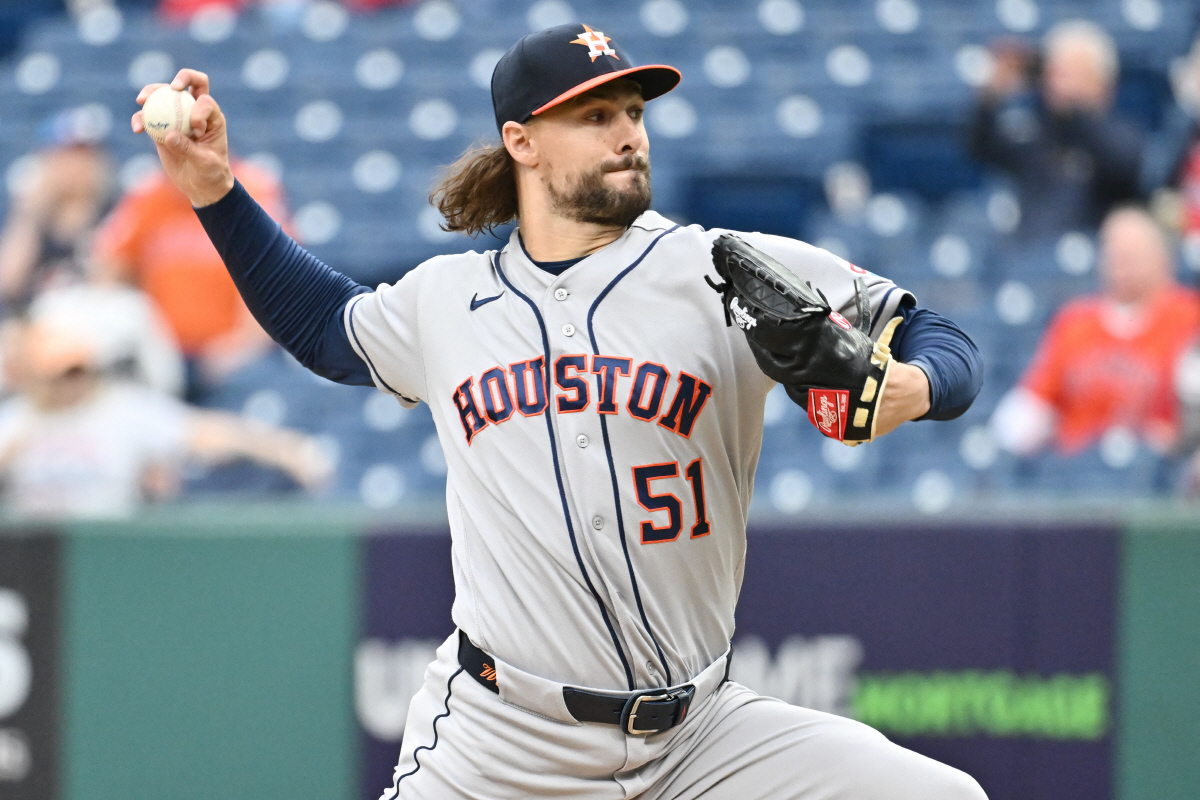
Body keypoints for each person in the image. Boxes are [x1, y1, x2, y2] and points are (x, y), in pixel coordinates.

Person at [132, 23, 985, 800]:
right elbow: (324, 326)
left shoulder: (720, 270)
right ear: (521, 142)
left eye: (633, 111)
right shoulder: (448, 301)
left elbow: (939, 337)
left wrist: (914, 386)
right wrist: (215, 191)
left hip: (701, 738)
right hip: (502, 745)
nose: (627, 131)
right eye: (594, 115)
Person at [0, 315, 331, 520]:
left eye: (76, 372)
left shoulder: (122, 409)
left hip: (108, 544)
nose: (69, 383)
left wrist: (286, 450)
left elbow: (206, 434)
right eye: (60, 374)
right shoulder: (16, 419)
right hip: (35, 549)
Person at [991, 206, 1200, 457]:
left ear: (1162, 258)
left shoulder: (1189, 316)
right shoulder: (1074, 321)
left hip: (1159, 469)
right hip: (1076, 472)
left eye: (1134, 254)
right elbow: (1031, 404)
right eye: (1115, 253)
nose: (1123, 264)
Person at [90, 158, 287, 401]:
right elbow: (107, 268)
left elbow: (274, 280)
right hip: (162, 352)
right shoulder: (148, 193)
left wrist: (240, 346)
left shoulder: (251, 188)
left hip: (234, 352)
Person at [968, 20, 1143, 240]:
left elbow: (1123, 163)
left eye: (1073, 73)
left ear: (1102, 83)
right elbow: (980, 146)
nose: (1058, 82)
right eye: (1054, 73)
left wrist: (1075, 109)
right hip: (1031, 255)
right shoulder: (1038, 133)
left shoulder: (1121, 133)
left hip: (1091, 256)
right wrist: (990, 98)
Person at [0, 108, 113, 316]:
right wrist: (30, 213)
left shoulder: (114, 211)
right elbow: (8, 284)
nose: (79, 164)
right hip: (34, 323)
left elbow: (112, 286)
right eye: (70, 153)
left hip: (93, 323)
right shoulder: (33, 211)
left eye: (87, 154)